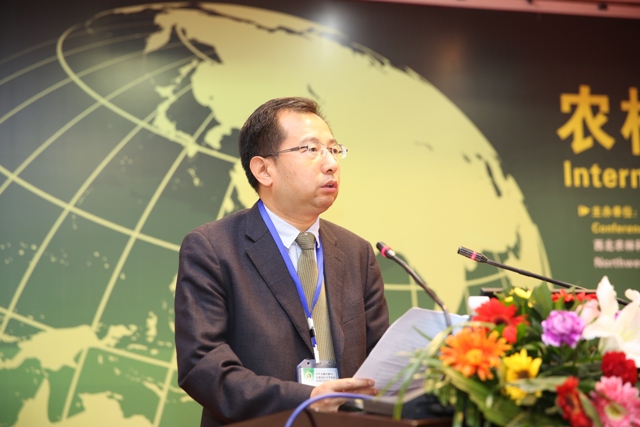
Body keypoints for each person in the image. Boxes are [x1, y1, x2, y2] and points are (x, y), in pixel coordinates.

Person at [175, 97, 389, 426]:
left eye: (334, 149)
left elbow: (381, 360)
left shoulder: (356, 252)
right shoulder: (213, 248)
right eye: (311, 149)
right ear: (264, 170)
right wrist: (307, 400)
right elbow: (203, 366)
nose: (331, 163)